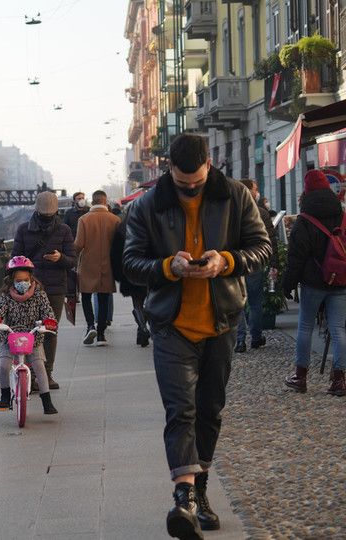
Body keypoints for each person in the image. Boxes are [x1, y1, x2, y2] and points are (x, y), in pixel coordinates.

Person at [123, 133, 270, 538]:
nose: (190, 189)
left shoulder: (236, 196)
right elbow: (131, 262)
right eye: (182, 182)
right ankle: (183, 499)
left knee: (209, 411)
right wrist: (169, 267)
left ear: (209, 163)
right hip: (171, 325)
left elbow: (262, 248)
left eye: (197, 182)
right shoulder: (148, 205)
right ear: (169, 168)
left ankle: (200, 490)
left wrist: (226, 261)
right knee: (180, 411)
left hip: (221, 322)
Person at [282, 170, 346, 397]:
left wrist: (286, 285)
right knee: (339, 329)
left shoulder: (304, 220)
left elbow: (295, 258)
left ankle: (300, 376)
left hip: (313, 283)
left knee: (305, 326)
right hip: (340, 281)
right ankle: (339, 380)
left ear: (306, 191)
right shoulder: (343, 215)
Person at [11, 191, 75, 388]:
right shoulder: (23, 230)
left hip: (55, 288)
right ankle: (30, 373)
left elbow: (72, 260)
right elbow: (15, 259)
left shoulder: (64, 230)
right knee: (29, 331)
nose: (47, 217)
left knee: (49, 330)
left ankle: (46, 374)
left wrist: (60, 258)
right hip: (30, 287)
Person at [0, 256, 58, 415]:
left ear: (31, 278)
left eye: (25, 279)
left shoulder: (39, 295)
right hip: (10, 337)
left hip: (33, 336)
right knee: (4, 365)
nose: (22, 283)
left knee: (39, 366)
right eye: (18, 280)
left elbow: (47, 311)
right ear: (11, 280)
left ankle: (47, 401)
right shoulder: (6, 296)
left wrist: (49, 321)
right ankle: (5, 395)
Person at [235, 179, 277, 353]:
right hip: (254, 262)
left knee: (238, 303)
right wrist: (274, 263)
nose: (257, 192)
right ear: (249, 192)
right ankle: (256, 337)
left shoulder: (231, 212)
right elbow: (270, 241)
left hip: (236, 262)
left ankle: (240, 341)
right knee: (255, 301)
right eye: (255, 189)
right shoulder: (261, 212)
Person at [75, 190, 121, 346]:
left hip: (88, 263)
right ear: (105, 201)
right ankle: (101, 334)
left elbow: (79, 244)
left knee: (86, 297)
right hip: (108, 265)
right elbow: (119, 245)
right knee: (103, 299)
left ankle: (90, 326)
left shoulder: (84, 219)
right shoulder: (115, 220)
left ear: (92, 202)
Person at [110, 203, 150, 347]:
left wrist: (118, 274)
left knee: (137, 302)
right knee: (151, 300)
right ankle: (143, 328)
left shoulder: (122, 228)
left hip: (131, 271)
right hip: (150, 270)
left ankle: (142, 328)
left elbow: (115, 254)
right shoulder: (151, 226)